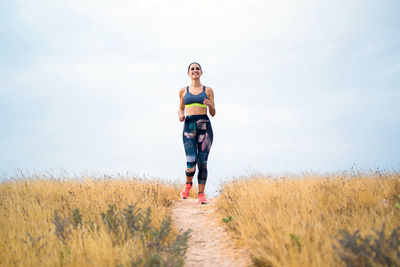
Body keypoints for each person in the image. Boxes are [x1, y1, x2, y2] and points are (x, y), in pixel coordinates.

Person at [178, 62, 216, 204]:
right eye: (192, 69)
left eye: (197, 69)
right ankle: (188, 185)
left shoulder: (208, 90)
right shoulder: (183, 91)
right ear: (188, 73)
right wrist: (181, 115)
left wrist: (210, 105)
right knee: (191, 160)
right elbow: (180, 108)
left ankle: (201, 194)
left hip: (204, 126)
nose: (195, 71)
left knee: (203, 162)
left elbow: (213, 113)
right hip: (189, 127)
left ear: (201, 72)